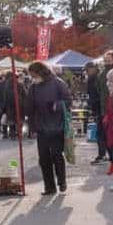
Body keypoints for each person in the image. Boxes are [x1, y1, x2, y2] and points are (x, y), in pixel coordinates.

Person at [27, 61, 72, 195]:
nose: (32, 78)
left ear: (41, 72)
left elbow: (68, 101)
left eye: (33, 75)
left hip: (57, 126)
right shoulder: (33, 87)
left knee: (57, 156)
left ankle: (62, 181)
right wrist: (31, 125)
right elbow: (30, 108)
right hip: (41, 127)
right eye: (31, 75)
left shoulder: (58, 83)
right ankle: (49, 187)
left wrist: (55, 106)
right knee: (44, 159)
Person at [85, 62, 106, 165]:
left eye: (89, 69)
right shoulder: (91, 79)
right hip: (97, 108)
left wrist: (94, 105)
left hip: (101, 108)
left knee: (101, 133)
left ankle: (102, 155)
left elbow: (99, 94)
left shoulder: (98, 78)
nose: (87, 71)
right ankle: (103, 154)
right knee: (101, 133)